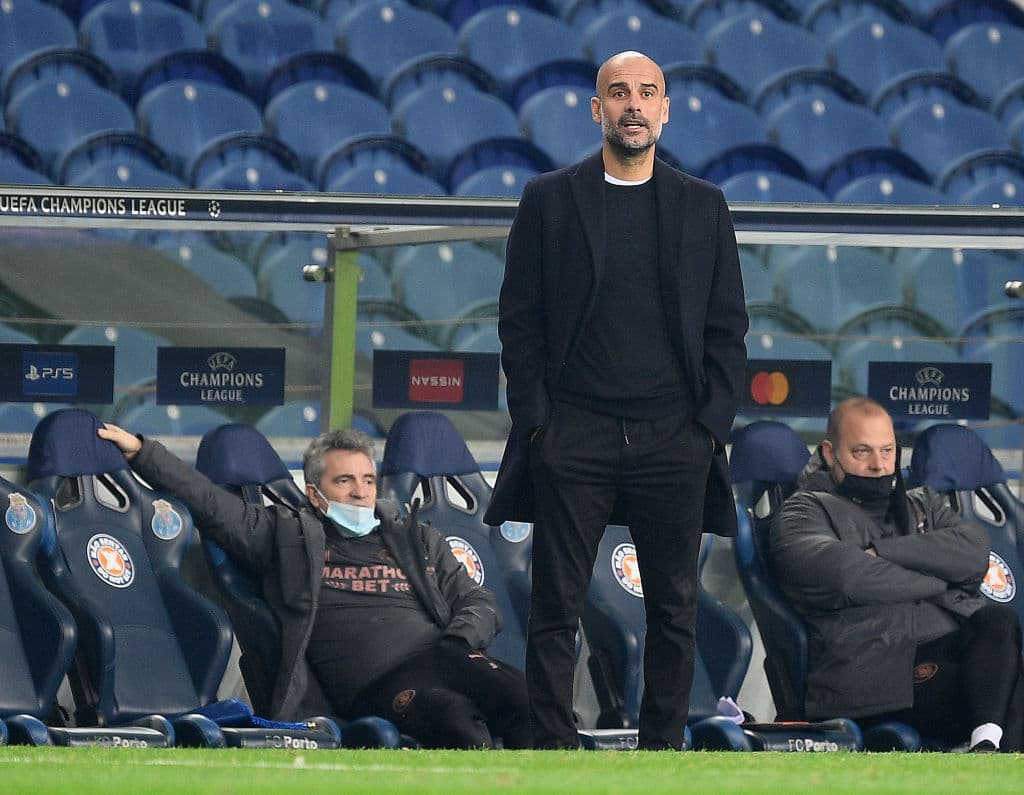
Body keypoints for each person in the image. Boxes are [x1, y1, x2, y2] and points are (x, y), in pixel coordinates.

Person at [482, 50, 748, 750]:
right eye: (619, 93)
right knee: (555, 602)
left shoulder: (704, 205)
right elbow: (520, 317)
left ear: (666, 108)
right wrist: (539, 423)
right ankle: (551, 743)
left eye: (648, 93)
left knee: (675, 606)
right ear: (597, 109)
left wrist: (707, 428)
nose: (634, 104)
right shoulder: (550, 197)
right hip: (576, 433)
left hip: (675, 438)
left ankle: (663, 748)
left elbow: (728, 328)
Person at [97, 423, 531, 749]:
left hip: (445, 654)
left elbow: (480, 602)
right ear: (314, 494)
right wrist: (142, 452)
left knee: (525, 699)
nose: (360, 493)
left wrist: (459, 641)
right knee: (455, 719)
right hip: (371, 685)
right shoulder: (285, 536)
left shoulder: (416, 537)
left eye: (367, 480)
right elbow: (210, 503)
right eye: (344, 481)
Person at [771, 397, 1024, 752]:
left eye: (887, 450)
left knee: (997, 621)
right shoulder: (803, 512)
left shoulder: (922, 503)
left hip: (943, 655)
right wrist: (940, 579)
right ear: (830, 453)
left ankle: (987, 749)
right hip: (873, 677)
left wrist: (884, 552)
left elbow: (974, 551)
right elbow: (848, 577)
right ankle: (995, 759)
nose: (878, 465)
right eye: (862, 452)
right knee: (1008, 686)